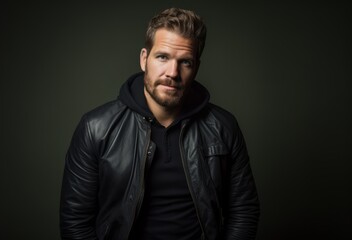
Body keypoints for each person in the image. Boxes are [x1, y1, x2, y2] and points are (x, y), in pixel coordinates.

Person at [60, 7, 260, 240]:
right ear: (144, 59)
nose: (173, 73)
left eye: (185, 62)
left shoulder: (223, 127)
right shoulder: (96, 128)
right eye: (163, 57)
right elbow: (75, 222)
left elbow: (243, 210)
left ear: (196, 67)